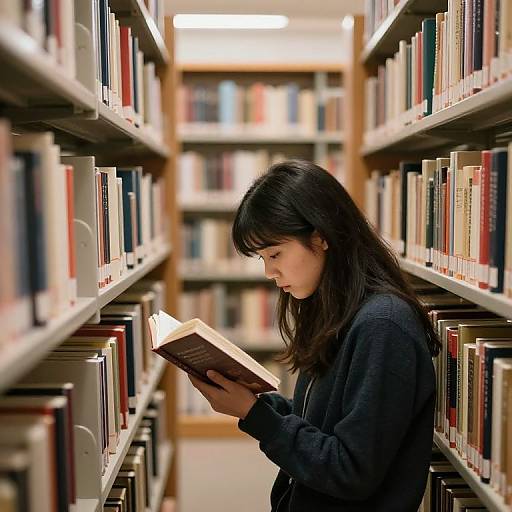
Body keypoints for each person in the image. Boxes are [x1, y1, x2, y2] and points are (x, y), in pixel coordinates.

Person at [189, 159, 440, 511]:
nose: (268, 272)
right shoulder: (336, 312)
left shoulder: (383, 326)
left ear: (320, 236)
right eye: (261, 258)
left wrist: (256, 416)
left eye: (275, 253)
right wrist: (256, 404)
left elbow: (350, 470)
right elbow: (325, 424)